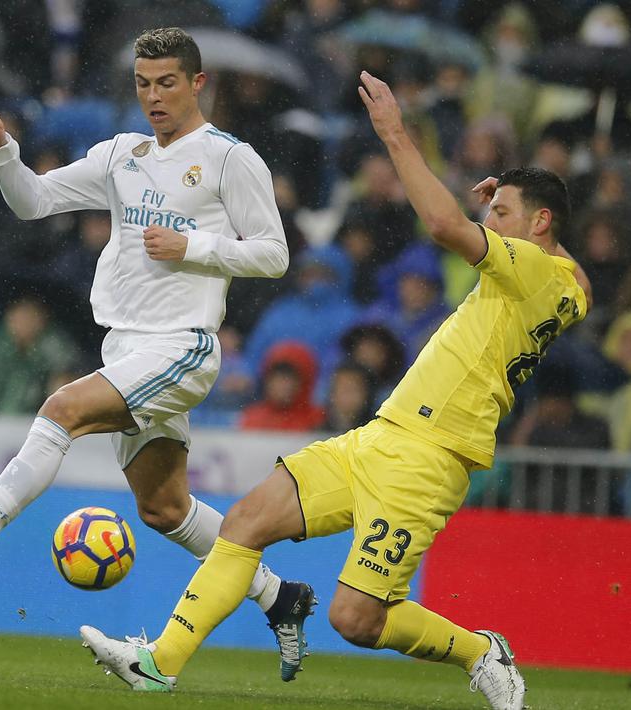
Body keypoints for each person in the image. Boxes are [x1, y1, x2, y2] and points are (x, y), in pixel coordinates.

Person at [77, 71, 591, 710]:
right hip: (383, 434)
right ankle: (161, 662)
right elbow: (572, 275)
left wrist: (396, 135)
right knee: (247, 519)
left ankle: (480, 650)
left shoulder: (535, 267)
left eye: (503, 213)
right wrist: (502, 205)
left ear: (541, 222)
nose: (489, 220)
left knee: (357, 620)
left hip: (431, 460)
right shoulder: (561, 279)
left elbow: (439, 223)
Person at [0, 27, 314, 681]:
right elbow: (33, 202)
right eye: (143, 84)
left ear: (198, 84)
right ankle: (280, 595)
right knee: (164, 509)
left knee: (61, 408)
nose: (153, 96)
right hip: (126, 349)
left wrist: (194, 248)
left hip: (182, 347)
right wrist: (3, 152)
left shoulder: (232, 160)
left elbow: (273, 253)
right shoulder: (121, 154)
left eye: (167, 82)